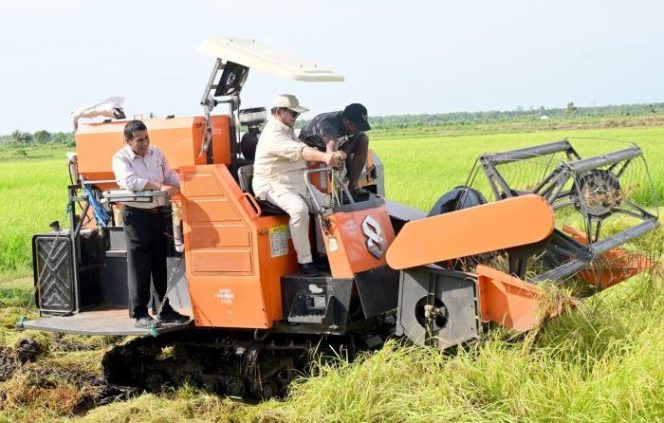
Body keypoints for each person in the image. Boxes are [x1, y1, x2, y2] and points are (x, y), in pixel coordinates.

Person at [253, 94, 344, 276]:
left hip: (296, 182)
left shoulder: (287, 130)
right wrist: (326, 157)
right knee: (299, 210)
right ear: (279, 112)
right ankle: (305, 262)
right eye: (293, 114)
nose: (296, 118)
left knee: (327, 204)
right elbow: (300, 151)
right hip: (273, 184)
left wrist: (328, 155)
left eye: (297, 115)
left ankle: (324, 254)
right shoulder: (272, 134)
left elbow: (303, 149)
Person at [112, 120, 190, 328]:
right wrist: (159, 187)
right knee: (140, 265)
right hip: (137, 216)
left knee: (159, 263)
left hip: (158, 214)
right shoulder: (121, 159)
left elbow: (169, 176)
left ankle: (164, 309)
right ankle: (139, 313)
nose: (145, 143)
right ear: (127, 141)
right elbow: (130, 182)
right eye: (139, 140)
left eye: (146, 138)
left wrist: (188, 185)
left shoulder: (157, 153)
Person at [298, 103, 371, 192]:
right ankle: (332, 190)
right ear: (346, 120)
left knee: (363, 139)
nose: (359, 130)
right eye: (357, 126)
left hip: (336, 144)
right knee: (334, 161)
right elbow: (331, 149)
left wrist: (344, 153)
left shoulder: (354, 127)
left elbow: (355, 137)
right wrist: (336, 159)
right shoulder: (329, 124)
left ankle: (353, 185)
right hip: (313, 146)